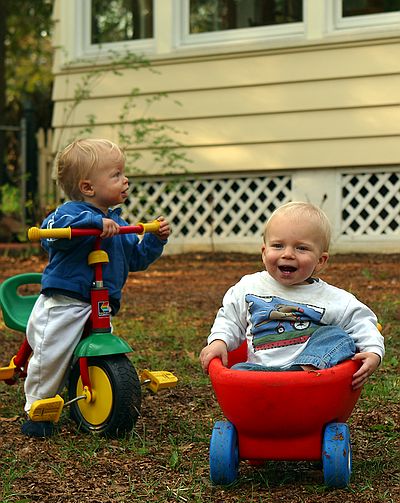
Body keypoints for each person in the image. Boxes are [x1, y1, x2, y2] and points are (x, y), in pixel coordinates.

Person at [22, 138, 170, 438]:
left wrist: (155, 240)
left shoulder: (118, 222)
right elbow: (51, 234)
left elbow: (136, 259)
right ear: (88, 188)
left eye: (123, 173)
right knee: (51, 353)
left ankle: (96, 383)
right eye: (116, 175)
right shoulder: (68, 213)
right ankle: (37, 408)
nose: (125, 179)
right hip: (66, 301)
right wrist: (92, 221)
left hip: (100, 303)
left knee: (96, 348)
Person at [200, 201, 384, 390]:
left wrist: (373, 351)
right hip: (260, 374)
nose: (288, 254)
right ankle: (265, 395)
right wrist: (218, 341)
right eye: (278, 245)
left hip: (310, 378)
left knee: (337, 336)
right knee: (238, 371)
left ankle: (298, 370)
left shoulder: (334, 298)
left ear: (320, 261)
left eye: (301, 248)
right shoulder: (249, 287)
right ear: (264, 252)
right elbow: (230, 320)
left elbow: (362, 322)